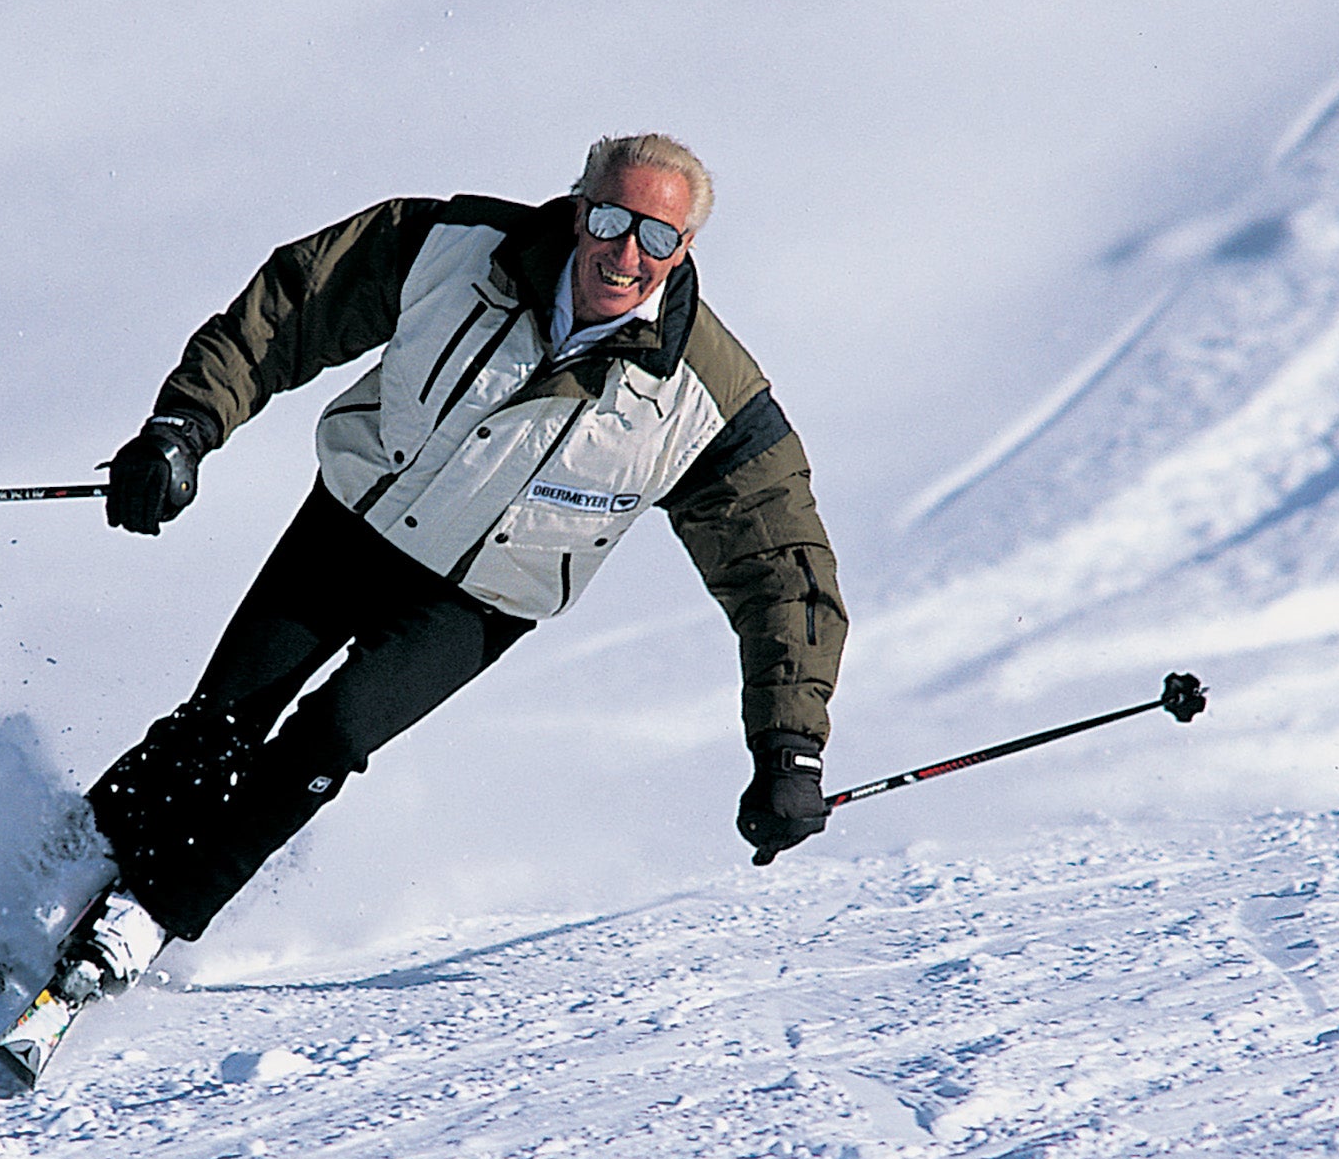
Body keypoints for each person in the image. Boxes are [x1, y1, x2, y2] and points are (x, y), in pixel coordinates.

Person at [55, 134, 847, 997]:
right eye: (613, 220)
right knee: (220, 721)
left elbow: (781, 569)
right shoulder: (457, 250)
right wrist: (184, 429)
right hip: (354, 526)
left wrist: (788, 747)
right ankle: (50, 872)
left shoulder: (706, 397)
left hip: (477, 602)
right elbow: (293, 307)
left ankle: (150, 916)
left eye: (657, 236)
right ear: (581, 208)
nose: (627, 253)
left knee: (329, 738)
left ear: (685, 247)